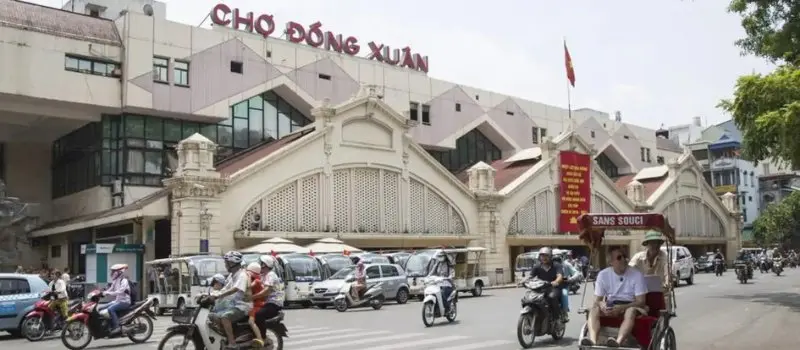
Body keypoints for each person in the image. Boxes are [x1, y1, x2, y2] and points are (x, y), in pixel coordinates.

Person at [582, 247, 648, 347]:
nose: (623, 260)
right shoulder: (603, 275)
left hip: (632, 304)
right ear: (611, 262)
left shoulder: (636, 275)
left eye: (624, 257)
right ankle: (593, 343)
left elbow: (641, 301)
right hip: (612, 304)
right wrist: (602, 305)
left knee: (630, 311)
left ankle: (618, 342)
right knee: (593, 308)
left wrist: (622, 308)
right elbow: (597, 300)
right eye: (619, 257)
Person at [209, 251, 251, 349]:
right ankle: (227, 336)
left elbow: (235, 289)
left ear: (232, 263)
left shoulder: (242, 275)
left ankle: (232, 343)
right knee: (212, 316)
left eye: (226, 263)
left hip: (242, 306)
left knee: (225, 317)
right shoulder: (232, 275)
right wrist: (209, 294)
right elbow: (224, 288)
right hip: (232, 305)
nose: (225, 265)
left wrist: (219, 296)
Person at [525, 247, 567, 320]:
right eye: (542, 256)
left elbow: (559, 276)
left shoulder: (556, 265)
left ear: (550, 256)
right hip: (540, 288)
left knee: (552, 297)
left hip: (553, 288)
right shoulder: (537, 266)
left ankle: (556, 318)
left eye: (546, 256)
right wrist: (524, 281)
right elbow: (530, 276)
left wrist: (556, 281)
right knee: (528, 298)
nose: (544, 258)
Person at [254, 255, 284, 341]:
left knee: (258, 315)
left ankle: (263, 338)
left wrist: (253, 297)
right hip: (264, 302)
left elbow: (267, 290)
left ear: (265, 265)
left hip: (273, 303)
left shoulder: (271, 275)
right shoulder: (262, 275)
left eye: (261, 263)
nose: (259, 265)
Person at [103, 264, 131, 334]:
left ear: (119, 272)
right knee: (102, 308)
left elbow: (120, 292)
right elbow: (111, 289)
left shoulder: (124, 280)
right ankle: (108, 325)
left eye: (113, 271)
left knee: (110, 309)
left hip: (124, 301)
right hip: (117, 301)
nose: (112, 273)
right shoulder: (116, 280)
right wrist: (103, 293)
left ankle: (117, 327)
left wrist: (109, 293)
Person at [427, 250, 455, 314]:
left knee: (442, 293)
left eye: (441, 256)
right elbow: (432, 271)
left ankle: (447, 308)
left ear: (444, 257)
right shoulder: (438, 264)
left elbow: (452, 272)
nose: (440, 258)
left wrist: (450, 277)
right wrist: (428, 276)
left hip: (447, 283)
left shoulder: (449, 264)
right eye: (439, 256)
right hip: (439, 283)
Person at [244, 262, 265, 347]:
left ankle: (260, 339)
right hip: (252, 303)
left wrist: (248, 276)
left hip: (257, 305)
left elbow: (248, 287)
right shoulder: (255, 279)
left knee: (251, 322)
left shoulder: (256, 281)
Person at [552, 255, 578, 319]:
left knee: (564, 297)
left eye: (558, 260)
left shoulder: (566, 264)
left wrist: (571, 279)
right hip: (552, 285)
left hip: (564, 285)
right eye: (554, 261)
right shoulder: (550, 265)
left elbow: (576, 272)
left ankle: (565, 313)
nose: (556, 263)